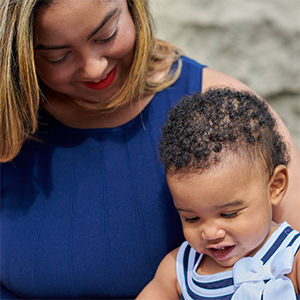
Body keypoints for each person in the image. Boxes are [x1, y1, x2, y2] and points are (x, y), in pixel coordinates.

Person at [0, 0, 299, 299]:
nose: (94, 68)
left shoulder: (234, 123)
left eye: (106, 34)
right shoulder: (179, 269)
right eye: (58, 56)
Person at [136, 87, 300, 300]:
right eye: (192, 218)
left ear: (274, 187)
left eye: (229, 214)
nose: (211, 233)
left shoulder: (292, 258)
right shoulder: (181, 269)